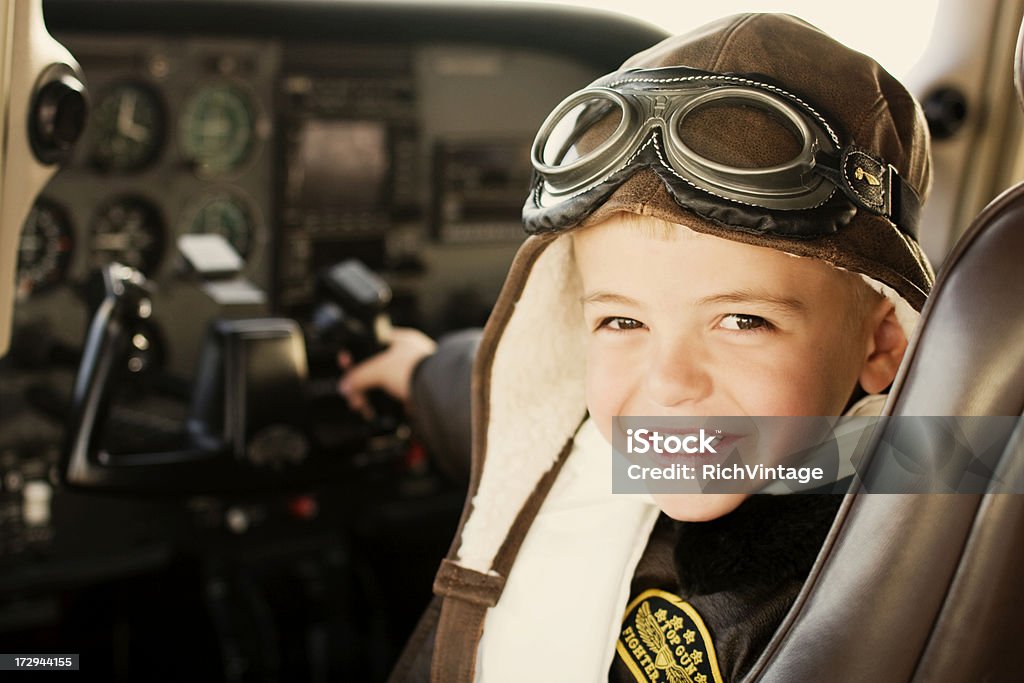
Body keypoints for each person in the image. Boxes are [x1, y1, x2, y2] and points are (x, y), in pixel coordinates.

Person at [341, 13, 933, 682]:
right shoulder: (614, 430)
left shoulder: (891, 580)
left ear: (883, 342)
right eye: (623, 323)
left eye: (742, 320)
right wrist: (415, 369)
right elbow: (500, 407)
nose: (669, 382)